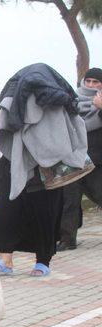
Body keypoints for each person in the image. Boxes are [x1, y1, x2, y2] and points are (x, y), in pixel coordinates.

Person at [0, 63, 89, 277]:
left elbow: (70, 130)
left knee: (45, 214)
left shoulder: (59, 101)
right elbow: (5, 128)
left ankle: (43, 261)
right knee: (7, 212)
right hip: (14, 162)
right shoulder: (12, 98)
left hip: (47, 169)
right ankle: (5, 260)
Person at [57, 67, 102, 251]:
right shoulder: (71, 102)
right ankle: (67, 239)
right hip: (73, 160)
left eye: (96, 82)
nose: (90, 85)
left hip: (97, 162)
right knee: (70, 201)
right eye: (88, 81)